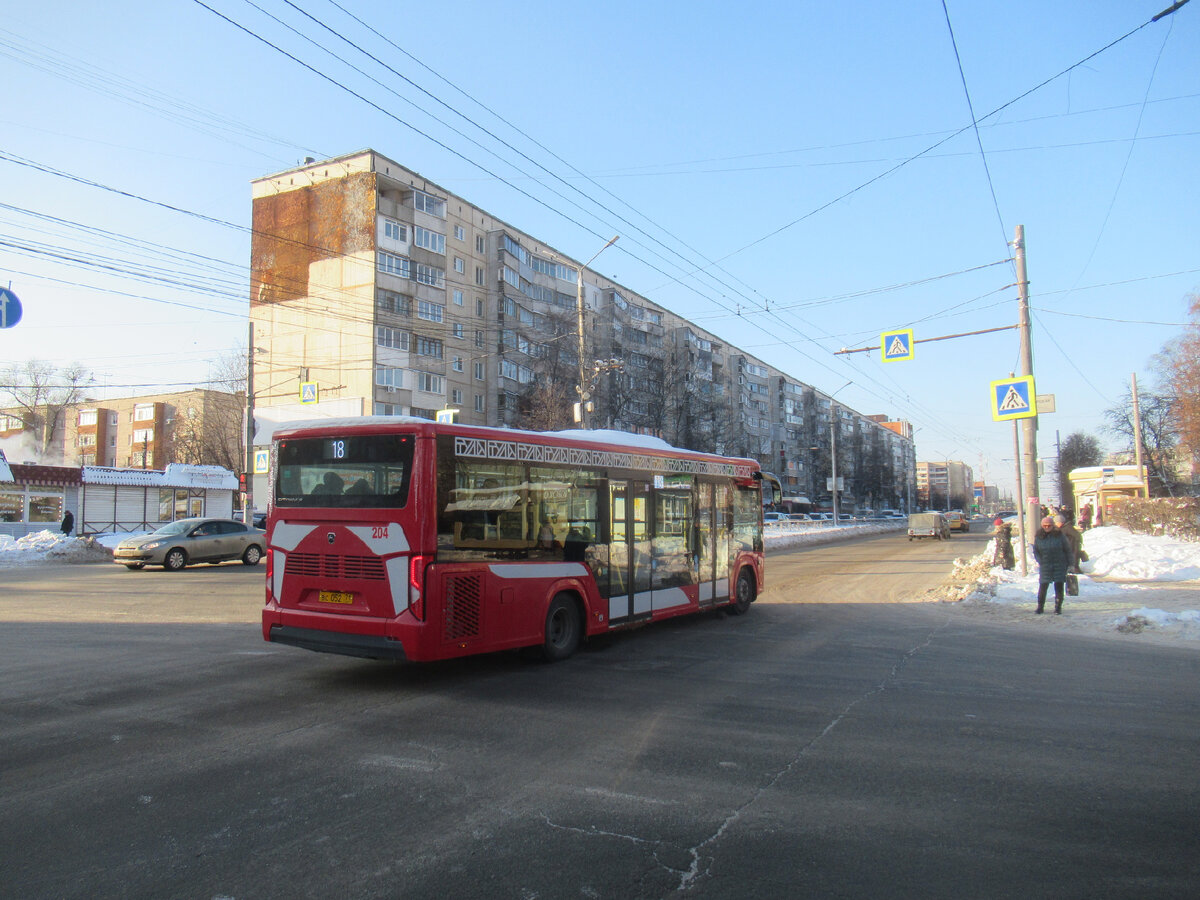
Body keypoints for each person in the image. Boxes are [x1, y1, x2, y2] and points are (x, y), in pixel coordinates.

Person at [1032, 515, 1071, 614]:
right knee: (1043, 586)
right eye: (1045, 525)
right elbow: (1036, 551)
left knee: (1059, 586)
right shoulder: (1039, 537)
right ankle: (1040, 607)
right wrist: (1040, 561)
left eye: (1049, 525)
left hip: (1059, 564)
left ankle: (1058, 608)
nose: (1047, 527)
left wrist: (1070, 563)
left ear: (1053, 526)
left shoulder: (1059, 536)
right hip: (1045, 565)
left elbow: (1067, 550)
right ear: (1042, 526)